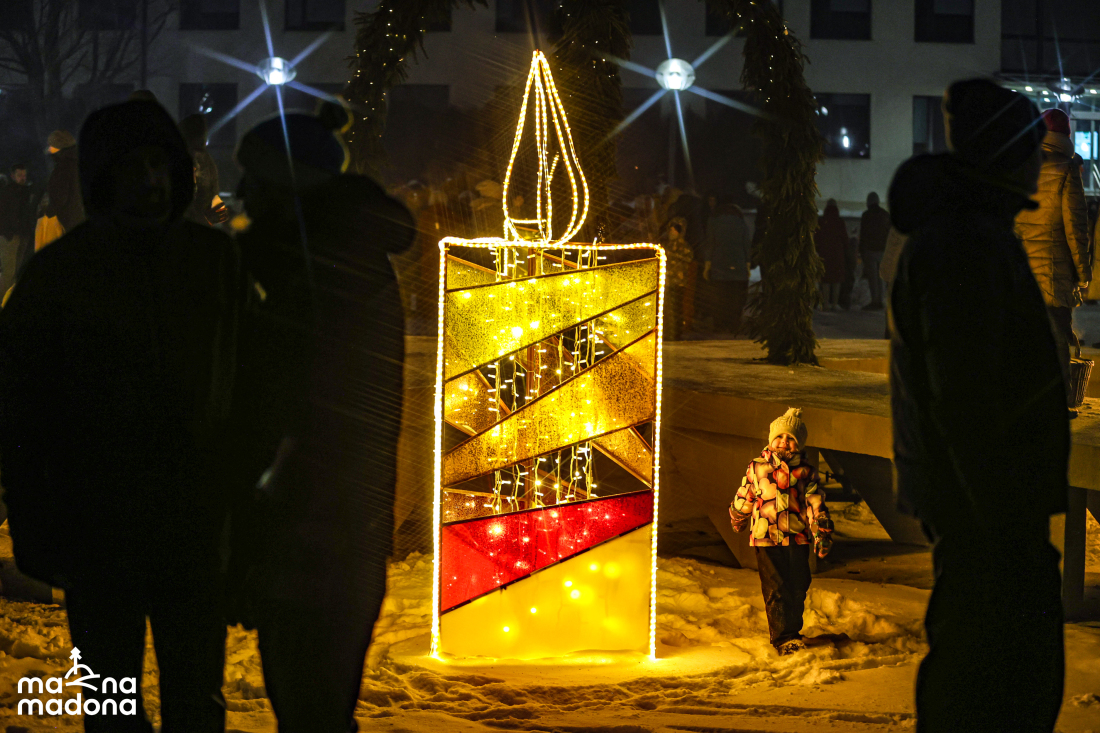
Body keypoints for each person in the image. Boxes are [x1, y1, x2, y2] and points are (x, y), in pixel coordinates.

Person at [0, 100, 238, 732]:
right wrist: (35, 524)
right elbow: (21, 414)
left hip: (194, 526)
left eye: (160, 163)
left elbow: (260, 395)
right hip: (97, 530)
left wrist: (251, 517)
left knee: (196, 700)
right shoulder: (60, 276)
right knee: (111, 703)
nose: (151, 179)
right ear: (104, 175)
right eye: (133, 166)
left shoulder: (214, 264)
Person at [227, 104, 414, 732]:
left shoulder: (296, 264)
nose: (242, 190)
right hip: (342, 523)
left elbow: (275, 398)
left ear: (286, 185)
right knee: (322, 703)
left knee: (307, 700)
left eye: (254, 176)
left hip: (303, 522)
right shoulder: (349, 250)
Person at [888, 79, 1067, 732]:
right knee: (989, 671)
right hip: (988, 506)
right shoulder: (964, 242)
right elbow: (963, 394)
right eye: (1033, 150)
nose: (1041, 163)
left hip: (989, 502)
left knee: (992, 663)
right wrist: (997, 514)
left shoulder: (974, 231)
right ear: (1005, 154)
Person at [729, 408, 833, 656]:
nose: (784, 442)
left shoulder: (806, 471)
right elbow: (746, 493)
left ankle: (793, 631)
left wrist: (821, 530)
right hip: (765, 537)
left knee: (799, 583)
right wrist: (739, 515)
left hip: (797, 537)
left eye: (791, 438)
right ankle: (783, 638)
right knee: (776, 587)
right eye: (779, 437)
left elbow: (814, 502)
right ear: (770, 439)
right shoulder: (758, 467)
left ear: (799, 444)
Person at [1015, 107, 1091, 417]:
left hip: (1023, 273)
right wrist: (1084, 274)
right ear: (1066, 135)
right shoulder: (1066, 169)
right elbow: (1076, 228)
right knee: (1058, 338)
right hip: (1054, 271)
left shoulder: (1021, 167)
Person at [702, 198, 751, 334]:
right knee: (736, 297)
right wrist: (747, 264)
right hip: (738, 263)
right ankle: (734, 323)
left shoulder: (713, 222)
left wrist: (707, 265)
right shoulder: (741, 222)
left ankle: (719, 324)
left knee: (720, 296)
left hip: (719, 264)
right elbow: (746, 244)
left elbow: (710, 243)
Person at [179, 114, 229, 226]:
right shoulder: (180, 161)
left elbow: (213, 195)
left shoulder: (206, 160)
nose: (204, 135)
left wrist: (221, 215)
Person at [0, 163, 34, 296]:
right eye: (19, 175)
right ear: (12, 176)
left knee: (16, 271)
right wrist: (8, 232)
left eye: (24, 175)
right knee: (9, 272)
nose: (22, 178)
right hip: (10, 236)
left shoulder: (26, 191)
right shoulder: (6, 192)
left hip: (22, 235)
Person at [660, 216, 693, 341]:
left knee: (675, 308)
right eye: (670, 230)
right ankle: (669, 332)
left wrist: (672, 255)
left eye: (674, 230)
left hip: (678, 282)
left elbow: (688, 258)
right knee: (667, 308)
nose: (671, 232)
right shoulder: (666, 244)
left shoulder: (683, 246)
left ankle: (675, 333)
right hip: (667, 281)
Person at [859, 191, 891, 310]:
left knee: (873, 278)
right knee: (881, 278)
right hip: (883, 251)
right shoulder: (885, 214)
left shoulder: (866, 215)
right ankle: (881, 301)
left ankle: (875, 301)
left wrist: (861, 251)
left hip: (870, 250)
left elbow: (863, 235)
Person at [814, 199, 847, 311]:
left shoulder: (821, 221)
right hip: (837, 254)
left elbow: (816, 238)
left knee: (825, 280)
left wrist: (817, 250)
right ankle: (835, 303)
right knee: (836, 280)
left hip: (824, 253)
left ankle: (826, 303)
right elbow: (845, 239)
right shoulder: (840, 221)